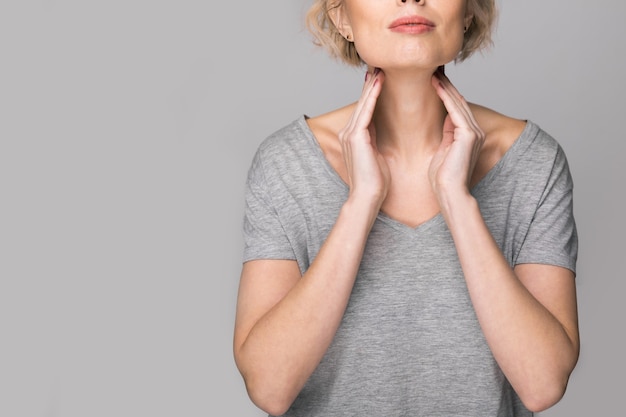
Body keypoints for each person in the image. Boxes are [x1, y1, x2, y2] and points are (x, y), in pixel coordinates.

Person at [233, 0, 579, 415]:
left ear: (468, 11)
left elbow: (543, 384)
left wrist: (457, 199)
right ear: (341, 17)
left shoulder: (534, 163)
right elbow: (269, 388)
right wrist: (361, 202)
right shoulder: (285, 164)